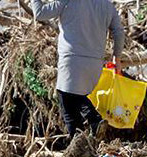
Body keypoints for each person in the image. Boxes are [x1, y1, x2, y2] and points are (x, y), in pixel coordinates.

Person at [31, 0, 125, 139]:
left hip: (72, 61)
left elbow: (40, 14)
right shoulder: (106, 4)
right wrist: (116, 58)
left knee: (67, 102)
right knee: (74, 102)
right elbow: (119, 32)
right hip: (95, 64)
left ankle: (94, 120)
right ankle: (80, 145)